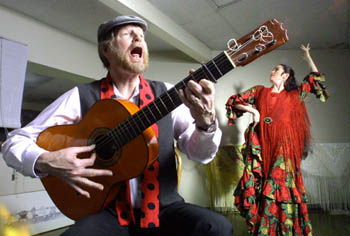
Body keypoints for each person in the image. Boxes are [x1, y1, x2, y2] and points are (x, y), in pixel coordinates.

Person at [2, 15, 233, 235]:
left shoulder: (168, 94)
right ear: (106, 50)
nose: (139, 38)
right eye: (128, 34)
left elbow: (201, 155)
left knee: (217, 228)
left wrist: (206, 124)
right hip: (106, 213)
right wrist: (47, 161)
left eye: (142, 35)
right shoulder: (80, 96)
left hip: (164, 210)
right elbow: (14, 142)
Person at [225, 44, 329, 235]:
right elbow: (234, 101)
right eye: (273, 69)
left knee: (280, 185)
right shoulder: (259, 91)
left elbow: (316, 80)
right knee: (263, 185)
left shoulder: (295, 94)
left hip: (285, 149)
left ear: (285, 76)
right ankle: (266, 229)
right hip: (264, 146)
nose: (272, 71)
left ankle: (285, 229)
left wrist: (307, 57)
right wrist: (253, 110)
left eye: (277, 69)